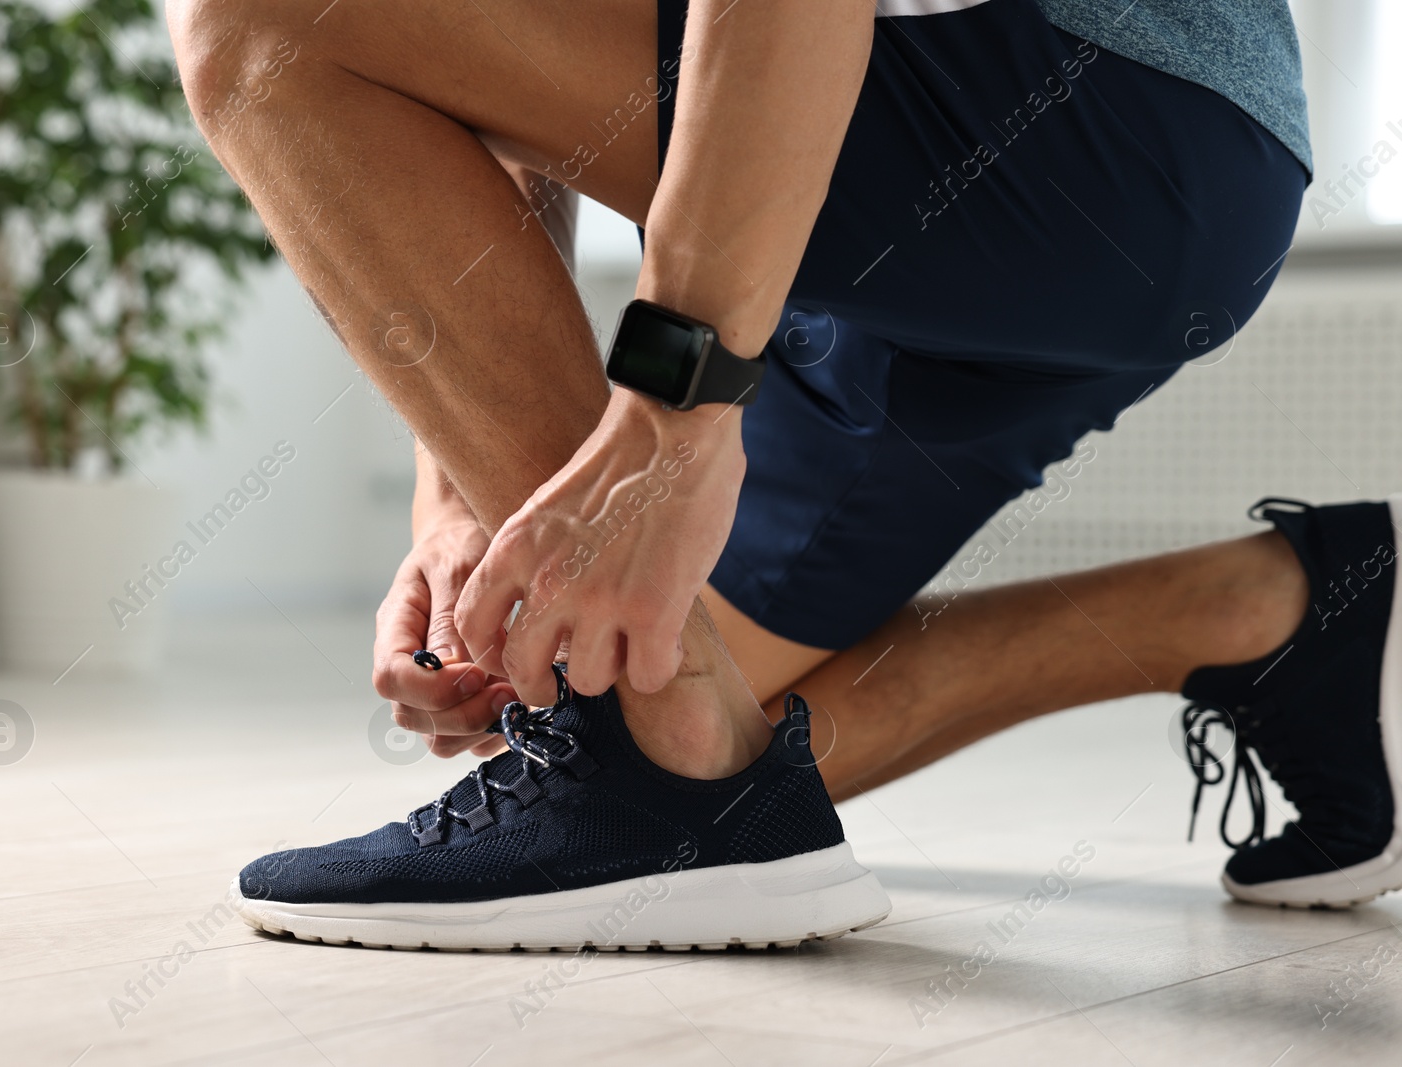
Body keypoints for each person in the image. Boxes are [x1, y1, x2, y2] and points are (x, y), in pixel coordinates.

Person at [169, 0, 1401, 950]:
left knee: (260, 19)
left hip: (1070, 100)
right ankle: (1266, 609)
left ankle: (651, 773)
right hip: (1137, 177)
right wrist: (463, 498)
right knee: (687, 731)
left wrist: (670, 414)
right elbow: (477, 81)